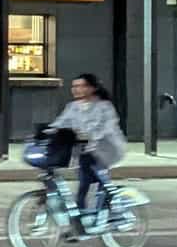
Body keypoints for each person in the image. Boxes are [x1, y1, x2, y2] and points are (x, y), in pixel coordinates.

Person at [49, 72, 127, 229]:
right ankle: (82, 217)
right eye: (74, 86)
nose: (76, 89)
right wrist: (45, 133)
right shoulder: (72, 107)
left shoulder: (104, 106)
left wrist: (91, 136)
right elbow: (60, 123)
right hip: (86, 149)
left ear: (92, 88)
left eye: (81, 86)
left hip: (107, 148)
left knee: (94, 174)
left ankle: (116, 209)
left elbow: (108, 126)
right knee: (84, 181)